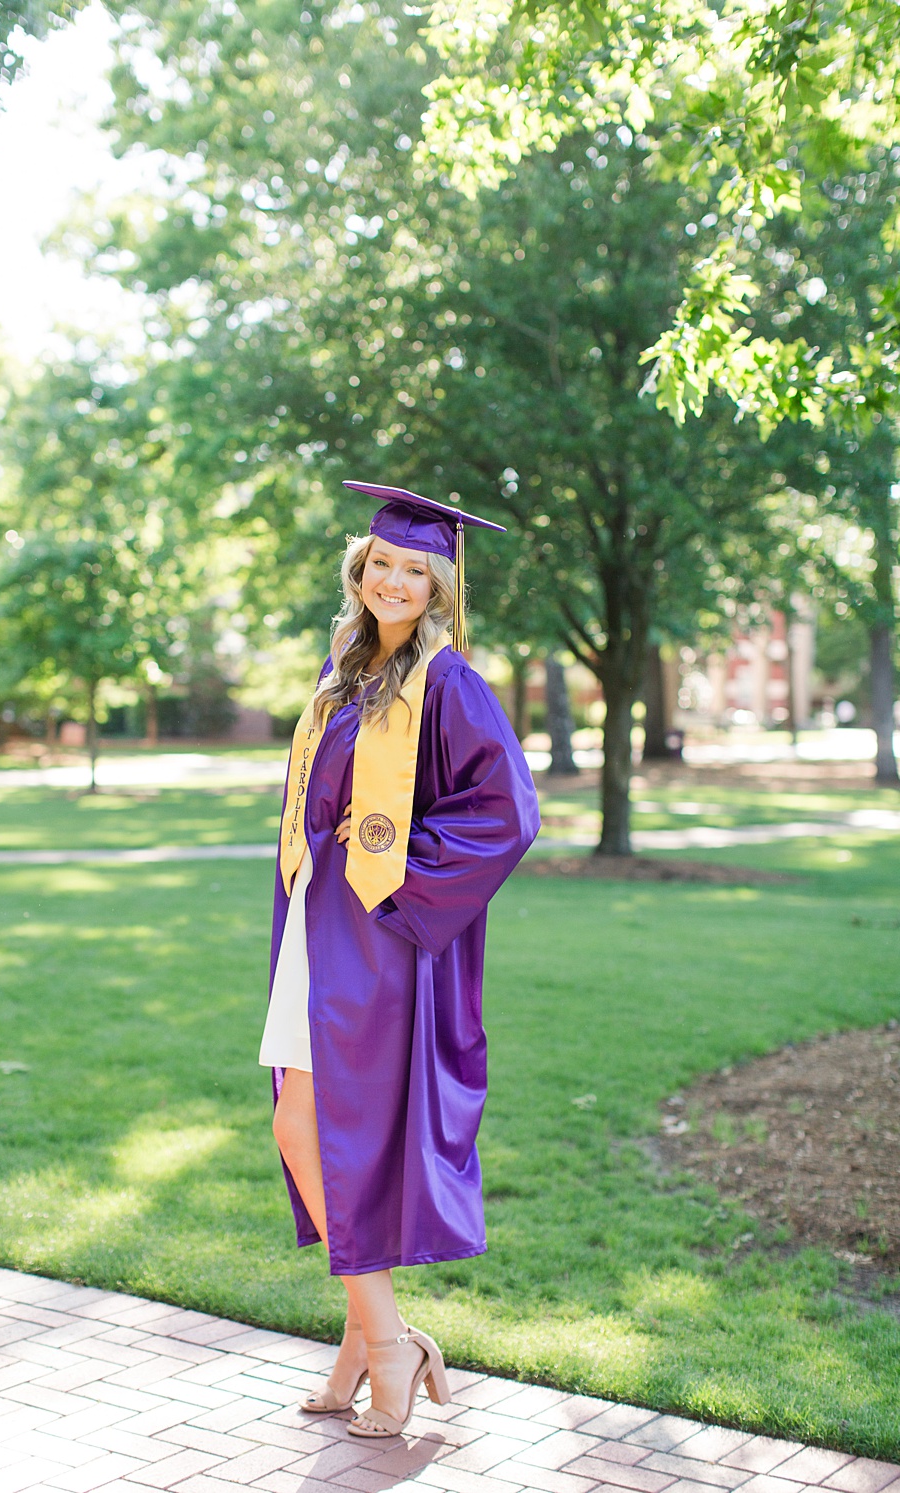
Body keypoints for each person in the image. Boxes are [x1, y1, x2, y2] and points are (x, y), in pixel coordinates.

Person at [261, 483, 540, 1438]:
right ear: (360, 569)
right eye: (382, 563)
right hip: (312, 920)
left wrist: (400, 886)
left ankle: (383, 1346)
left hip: (375, 934)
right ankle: (378, 1334)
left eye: (415, 570)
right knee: (299, 1123)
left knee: (336, 1129)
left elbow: (506, 810)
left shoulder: (449, 683)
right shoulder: (344, 670)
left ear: (438, 587)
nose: (394, 580)